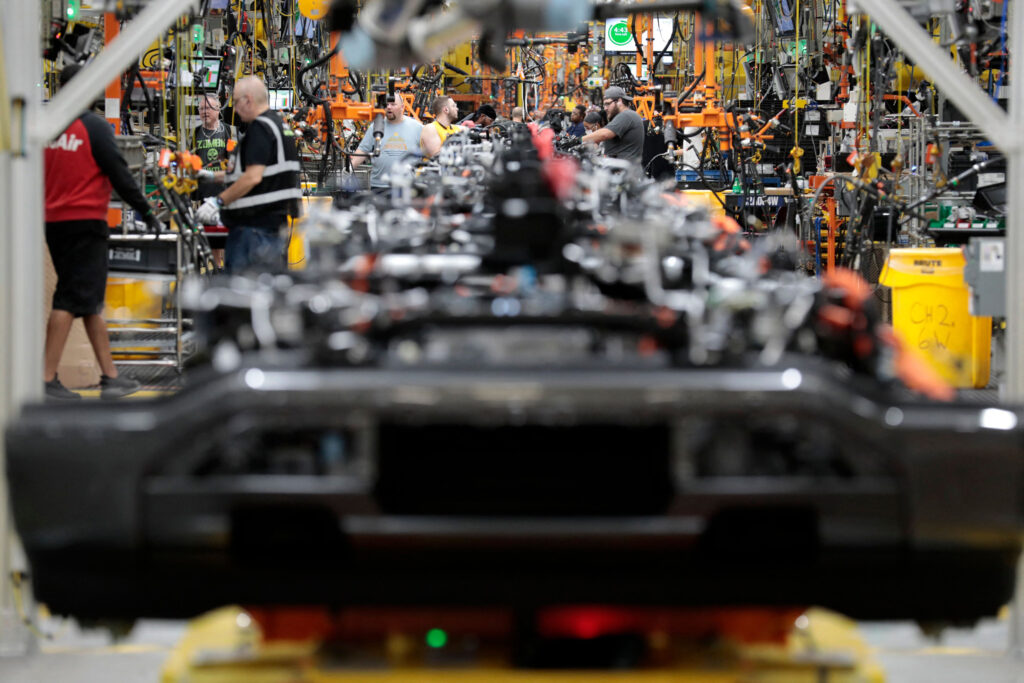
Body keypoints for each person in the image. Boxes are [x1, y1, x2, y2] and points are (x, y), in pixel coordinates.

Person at [43, 64, 160, 400]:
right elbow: (121, 175)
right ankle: (46, 378)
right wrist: (147, 211)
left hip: (53, 222)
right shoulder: (93, 127)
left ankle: (110, 376)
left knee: (90, 300)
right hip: (85, 223)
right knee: (69, 296)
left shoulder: (47, 127)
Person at [196, 77, 301, 273]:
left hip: (254, 230)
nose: (234, 109)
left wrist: (217, 202)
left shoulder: (260, 128)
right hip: (269, 227)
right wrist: (211, 177)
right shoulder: (278, 125)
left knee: (242, 294)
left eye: (235, 102)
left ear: (248, 100)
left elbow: (253, 177)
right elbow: (255, 172)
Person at [351, 92, 423, 191]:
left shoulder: (417, 127)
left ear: (402, 107)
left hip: (407, 187)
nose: (389, 107)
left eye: (393, 104)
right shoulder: (376, 127)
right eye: (386, 104)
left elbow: (429, 153)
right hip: (379, 186)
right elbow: (362, 151)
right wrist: (348, 170)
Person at [581, 86, 645, 165]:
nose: (605, 108)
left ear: (619, 101)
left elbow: (604, 134)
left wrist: (579, 140)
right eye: (604, 105)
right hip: (620, 170)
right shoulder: (622, 116)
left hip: (624, 173)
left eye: (607, 104)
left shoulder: (627, 115)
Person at [192, 93, 233, 199]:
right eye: (201, 109)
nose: (204, 112)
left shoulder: (230, 131)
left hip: (224, 190)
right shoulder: (194, 133)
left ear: (218, 109)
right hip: (202, 190)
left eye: (208, 108)